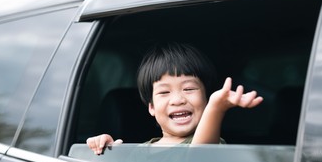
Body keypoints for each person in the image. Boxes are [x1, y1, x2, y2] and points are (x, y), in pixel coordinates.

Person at [87, 42, 263, 155]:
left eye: (188, 88)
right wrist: (109, 150)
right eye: (164, 92)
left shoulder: (211, 143)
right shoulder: (139, 151)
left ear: (206, 99)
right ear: (151, 108)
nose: (178, 99)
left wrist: (216, 107)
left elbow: (198, 159)